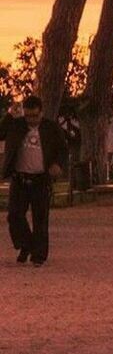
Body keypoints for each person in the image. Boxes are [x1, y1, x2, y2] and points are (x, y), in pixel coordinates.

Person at [0, 95, 68, 266]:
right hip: (20, 178)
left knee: (40, 219)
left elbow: (63, 150)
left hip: (40, 180)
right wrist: (9, 115)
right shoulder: (16, 125)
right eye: (28, 116)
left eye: (35, 116)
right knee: (14, 216)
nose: (31, 120)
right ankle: (27, 244)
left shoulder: (51, 128)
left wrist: (58, 165)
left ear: (41, 113)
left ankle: (38, 255)